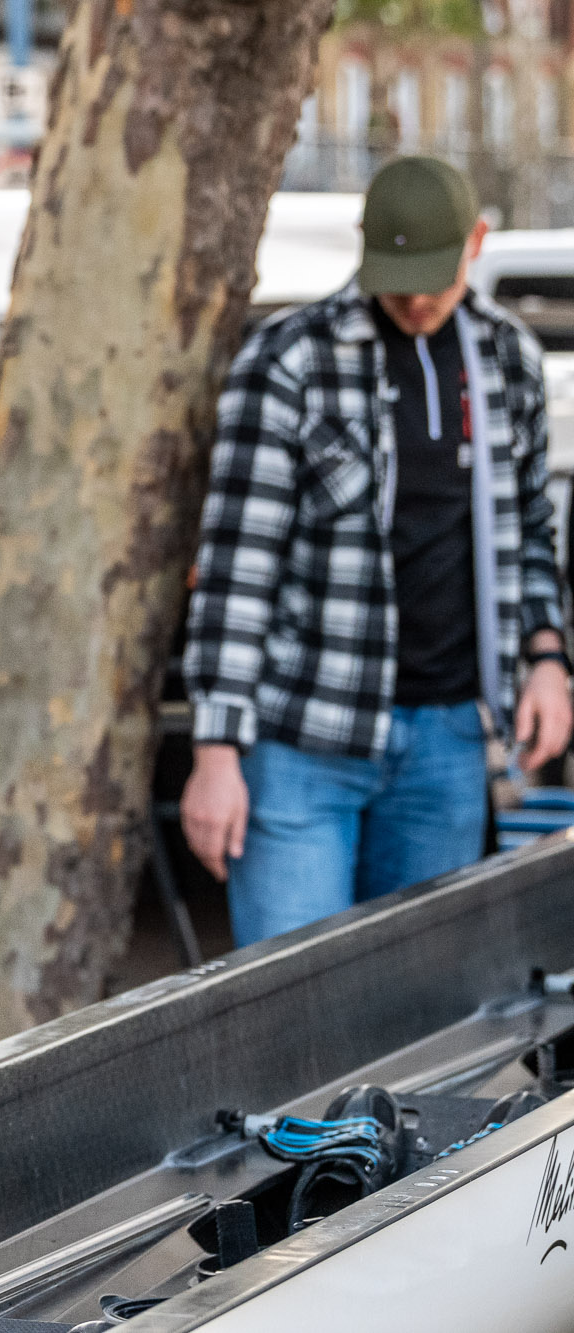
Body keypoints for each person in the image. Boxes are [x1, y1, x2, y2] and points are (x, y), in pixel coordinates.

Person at [182, 155, 571, 948]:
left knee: (419, 1011)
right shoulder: (290, 359)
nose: (418, 298)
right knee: (291, 1004)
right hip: (302, 740)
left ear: (477, 243)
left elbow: (530, 530)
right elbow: (236, 567)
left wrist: (548, 658)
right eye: (397, 278)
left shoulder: (507, 361)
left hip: (449, 737)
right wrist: (216, 751)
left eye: (435, 275)